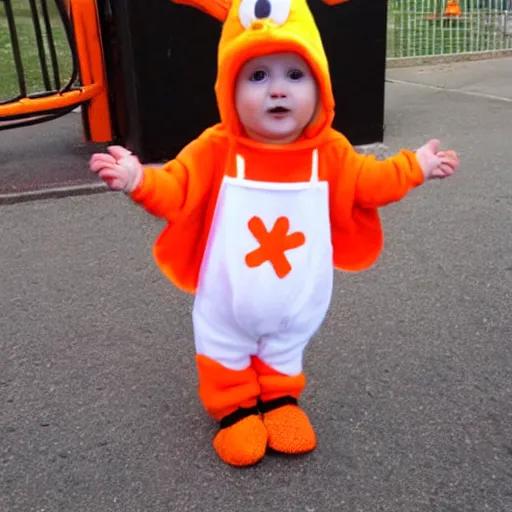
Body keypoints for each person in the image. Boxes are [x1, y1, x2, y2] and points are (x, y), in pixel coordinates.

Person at [90, 0, 459, 468]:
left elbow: (370, 182)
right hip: (229, 298)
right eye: (258, 76)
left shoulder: (329, 151)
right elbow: (177, 189)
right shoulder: (217, 148)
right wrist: (139, 179)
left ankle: (281, 399)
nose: (278, 91)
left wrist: (415, 166)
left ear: (320, 86)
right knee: (224, 347)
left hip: (297, 299)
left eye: (295, 75)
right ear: (229, 88)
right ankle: (235, 407)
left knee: (286, 349)